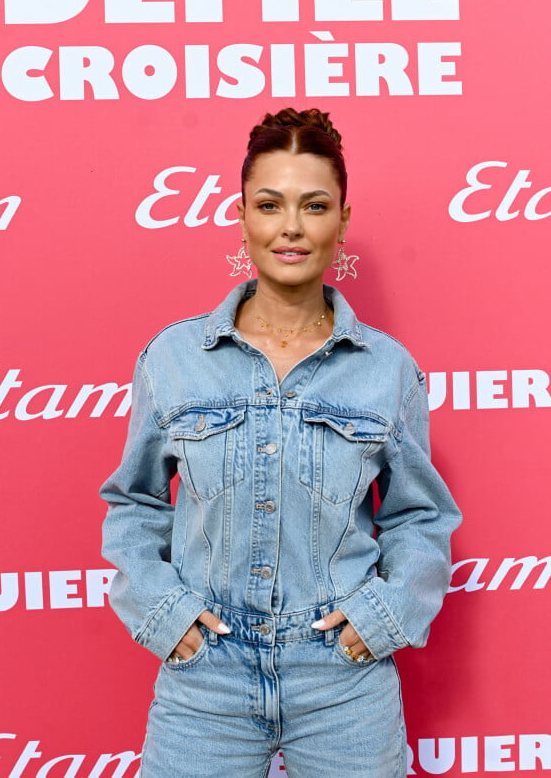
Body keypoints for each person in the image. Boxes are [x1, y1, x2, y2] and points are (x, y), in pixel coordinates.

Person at [100, 108, 462, 778]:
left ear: (342, 221)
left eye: (314, 205)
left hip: (342, 684)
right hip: (207, 679)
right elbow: (134, 504)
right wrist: (163, 612)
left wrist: (382, 618)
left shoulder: (387, 369)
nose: (291, 227)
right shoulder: (176, 358)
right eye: (270, 204)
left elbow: (421, 516)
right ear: (242, 215)